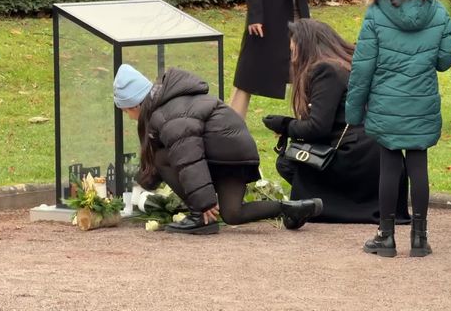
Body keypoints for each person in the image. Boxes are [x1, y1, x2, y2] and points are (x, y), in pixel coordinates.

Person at [113, 64, 323, 235]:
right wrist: (141, 184)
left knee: (162, 157)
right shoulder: (170, 105)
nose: (128, 116)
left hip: (223, 155)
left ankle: (199, 218)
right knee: (233, 214)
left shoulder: (167, 114)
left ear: (134, 105)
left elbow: (188, 156)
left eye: (125, 111)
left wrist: (202, 205)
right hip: (236, 156)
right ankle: (293, 208)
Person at [345, 0, 451, 257]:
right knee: (418, 164)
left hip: (386, 102)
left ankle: (386, 236)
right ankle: (420, 238)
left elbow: (362, 67)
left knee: (389, 167)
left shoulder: (376, 11)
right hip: (421, 100)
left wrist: (353, 111)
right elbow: (446, 60)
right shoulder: (437, 9)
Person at [262, 19, 410, 225]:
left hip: (359, 156)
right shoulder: (346, 64)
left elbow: (318, 128)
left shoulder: (326, 70)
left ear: (305, 44)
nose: (291, 50)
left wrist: (284, 125)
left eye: (293, 44)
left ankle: (321, 206)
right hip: (378, 153)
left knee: (288, 162)